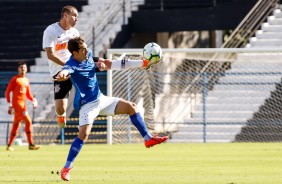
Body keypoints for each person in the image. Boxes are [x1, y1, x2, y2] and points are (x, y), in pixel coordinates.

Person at [54, 37, 168, 181]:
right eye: (83, 49)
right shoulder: (71, 65)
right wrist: (62, 75)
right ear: (75, 53)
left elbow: (110, 64)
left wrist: (142, 63)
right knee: (84, 134)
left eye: (86, 47)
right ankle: (66, 168)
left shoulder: (87, 55)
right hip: (87, 105)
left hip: (101, 99)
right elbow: (65, 71)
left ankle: (147, 138)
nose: (87, 51)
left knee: (132, 107)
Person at [42, 5, 79, 128]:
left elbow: (80, 50)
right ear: (65, 15)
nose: (76, 19)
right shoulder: (51, 31)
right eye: (74, 16)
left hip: (73, 67)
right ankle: (61, 115)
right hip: (59, 70)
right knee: (61, 108)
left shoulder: (74, 32)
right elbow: (50, 55)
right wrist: (66, 66)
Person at [5, 62, 40, 151]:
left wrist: (33, 100)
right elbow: (7, 92)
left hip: (23, 106)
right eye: (21, 67)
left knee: (16, 125)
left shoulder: (26, 80)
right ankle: (31, 144)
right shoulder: (15, 79)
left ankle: (9, 145)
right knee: (28, 121)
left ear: (27, 69)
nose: (23, 69)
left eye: (24, 67)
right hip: (18, 106)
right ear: (18, 69)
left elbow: (28, 94)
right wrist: (10, 104)